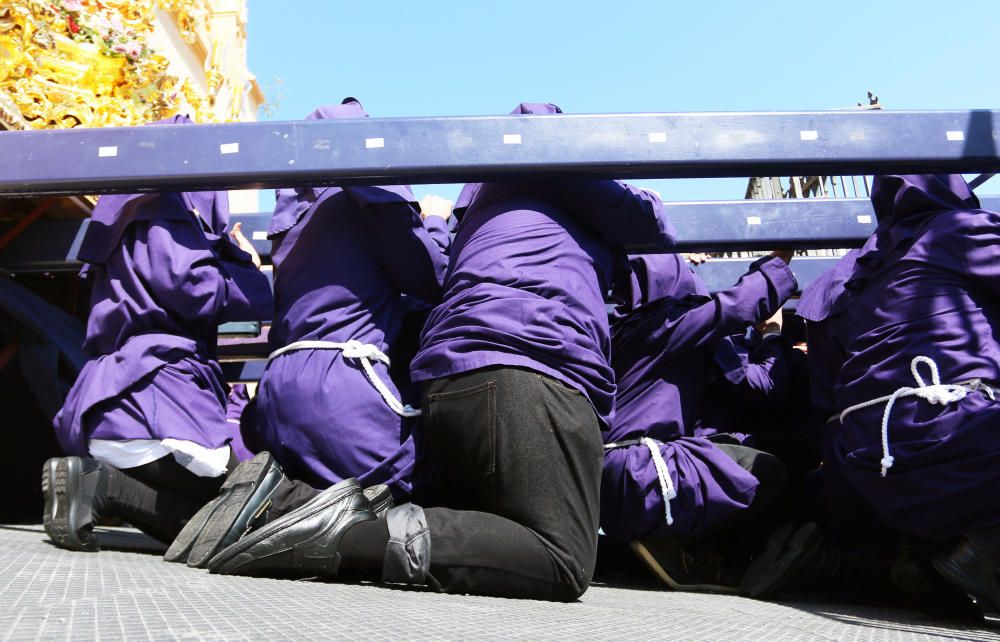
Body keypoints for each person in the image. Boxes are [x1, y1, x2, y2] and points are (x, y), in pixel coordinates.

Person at [205, 102, 676, 602]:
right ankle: (328, 528)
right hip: (524, 359)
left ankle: (287, 507)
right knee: (559, 557)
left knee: (475, 520)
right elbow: (650, 225)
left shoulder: (474, 214)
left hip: (440, 375)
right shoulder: (549, 170)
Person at [166, 98, 454, 568]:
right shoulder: (363, 198)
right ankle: (269, 509)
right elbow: (432, 276)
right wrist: (436, 220)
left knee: (334, 489)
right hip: (343, 383)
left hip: (278, 390)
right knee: (412, 492)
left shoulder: (291, 222)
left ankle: (269, 501)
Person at [43, 114, 273, 553]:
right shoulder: (165, 207)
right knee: (244, 515)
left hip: (114, 405)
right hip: (156, 404)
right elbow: (196, 288)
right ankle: (101, 485)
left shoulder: (131, 213)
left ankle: (100, 487)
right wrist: (246, 267)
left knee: (218, 524)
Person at [828, 174, 1000, 614]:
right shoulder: (959, 230)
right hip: (952, 436)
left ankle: (927, 552)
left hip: (870, 468)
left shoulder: (865, 275)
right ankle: (985, 550)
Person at [601, 251, 797, 592]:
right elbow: (735, 307)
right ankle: (674, 544)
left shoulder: (611, 330)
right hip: (642, 474)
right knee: (768, 470)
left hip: (600, 480)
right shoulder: (666, 323)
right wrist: (778, 264)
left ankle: (647, 545)